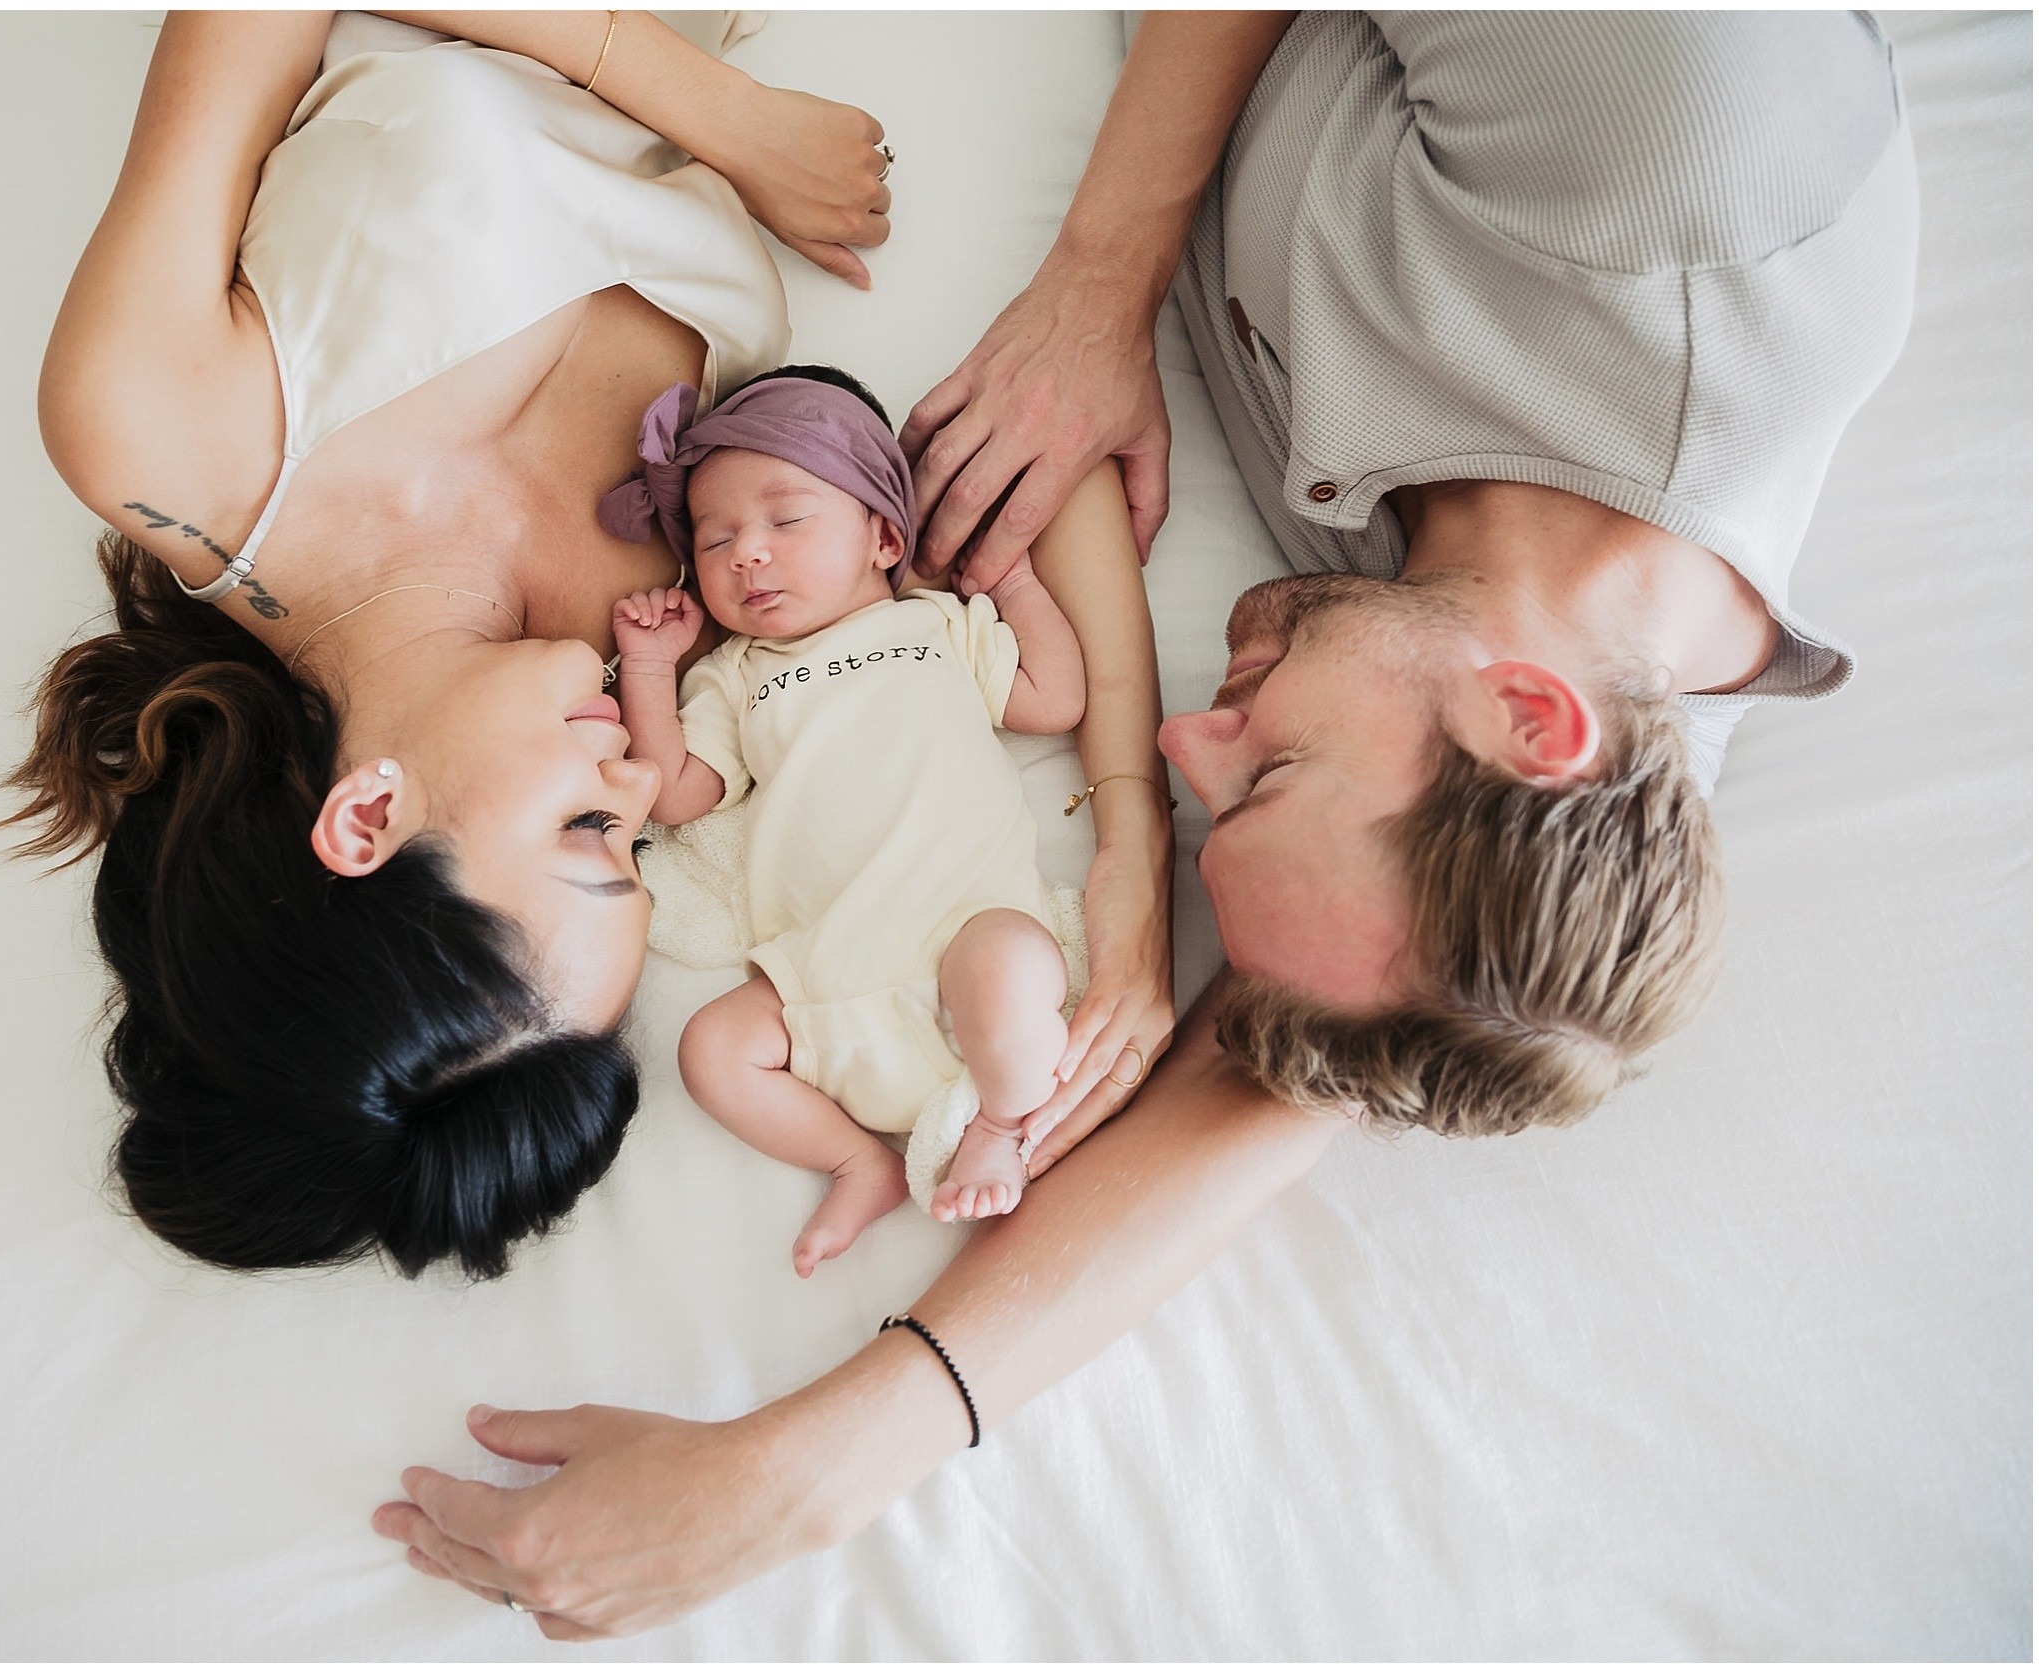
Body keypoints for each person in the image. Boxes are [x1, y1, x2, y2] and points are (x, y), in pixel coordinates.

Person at [372, 11, 1917, 1637]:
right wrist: (1100, 284)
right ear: (1529, 715)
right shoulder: (1691, 157)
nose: (1182, 732)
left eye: (1211, 790)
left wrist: (805, 1478)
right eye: (1269, 774)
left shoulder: (1520, 856)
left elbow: (1258, 1102)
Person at [14, 13, 1174, 1281]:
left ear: (367, 815)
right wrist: (1132, 845)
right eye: (636, 845)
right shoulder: (675, 627)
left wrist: (714, 110)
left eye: (586, 831)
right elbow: (1022, 483)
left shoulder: (157, 436)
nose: (634, 782)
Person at [608, 369, 1089, 1260]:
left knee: (1018, 960)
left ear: (883, 536)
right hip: (820, 980)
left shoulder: (937, 626)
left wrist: (1012, 579)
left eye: (785, 521)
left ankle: (998, 1118)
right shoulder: (735, 674)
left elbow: (1054, 698)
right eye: (715, 542)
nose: (747, 553)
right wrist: (648, 666)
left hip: (961, 940)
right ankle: (855, 1161)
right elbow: (674, 793)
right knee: (711, 1049)